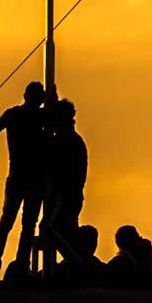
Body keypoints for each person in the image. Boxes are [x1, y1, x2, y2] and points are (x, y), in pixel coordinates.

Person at [0, 81, 50, 281]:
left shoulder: (13, 114)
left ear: (25, 95)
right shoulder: (42, 116)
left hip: (16, 177)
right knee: (28, 226)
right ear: (40, 99)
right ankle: (21, 267)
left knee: (5, 224)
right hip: (35, 179)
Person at [40, 99, 88, 267]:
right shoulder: (73, 140)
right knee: (68, 232)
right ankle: (75, 264)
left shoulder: (66, 141)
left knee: (50, 228)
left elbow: (52, 164)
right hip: (71, 196)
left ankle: (76, 262)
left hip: (64, 196)